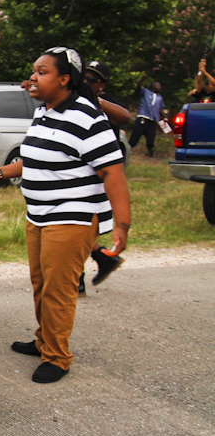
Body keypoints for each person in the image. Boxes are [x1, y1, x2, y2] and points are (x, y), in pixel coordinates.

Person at [0, 46, 131, 383]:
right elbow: (33, 159)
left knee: (58, 289)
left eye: (42, 72)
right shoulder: (45, 112)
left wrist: (122, 225)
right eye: (34, 70)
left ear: (64, 79)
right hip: (40, 214)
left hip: (72, 216)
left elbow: (113, 172)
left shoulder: (87, 116)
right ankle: (45, 340)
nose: (33, 77)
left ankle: (58, 357)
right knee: (41, 283)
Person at [81, 60, 131, 289]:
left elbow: (124, 118)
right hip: (79, 168)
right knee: (82, 221)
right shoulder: (76, 100)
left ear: (100, 84)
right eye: (83, 77)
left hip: (101, 170)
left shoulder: (105, 102)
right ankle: (101, 257)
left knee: (84, 222)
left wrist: (96, 100)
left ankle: (81, 274)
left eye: (91, 79)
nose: (85, 82)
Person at [129, 76, 165, 156]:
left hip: (152, 120)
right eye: (158, 85)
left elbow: (160, 110)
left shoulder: (160, 98)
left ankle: (150, 153)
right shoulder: (146, 92)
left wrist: (164, 120)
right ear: (153, 86)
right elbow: (138, 87)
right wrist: (142, 79)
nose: (160, 87)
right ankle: (127, 150)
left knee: (151, 138)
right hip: (143, 117)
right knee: (136, 135)